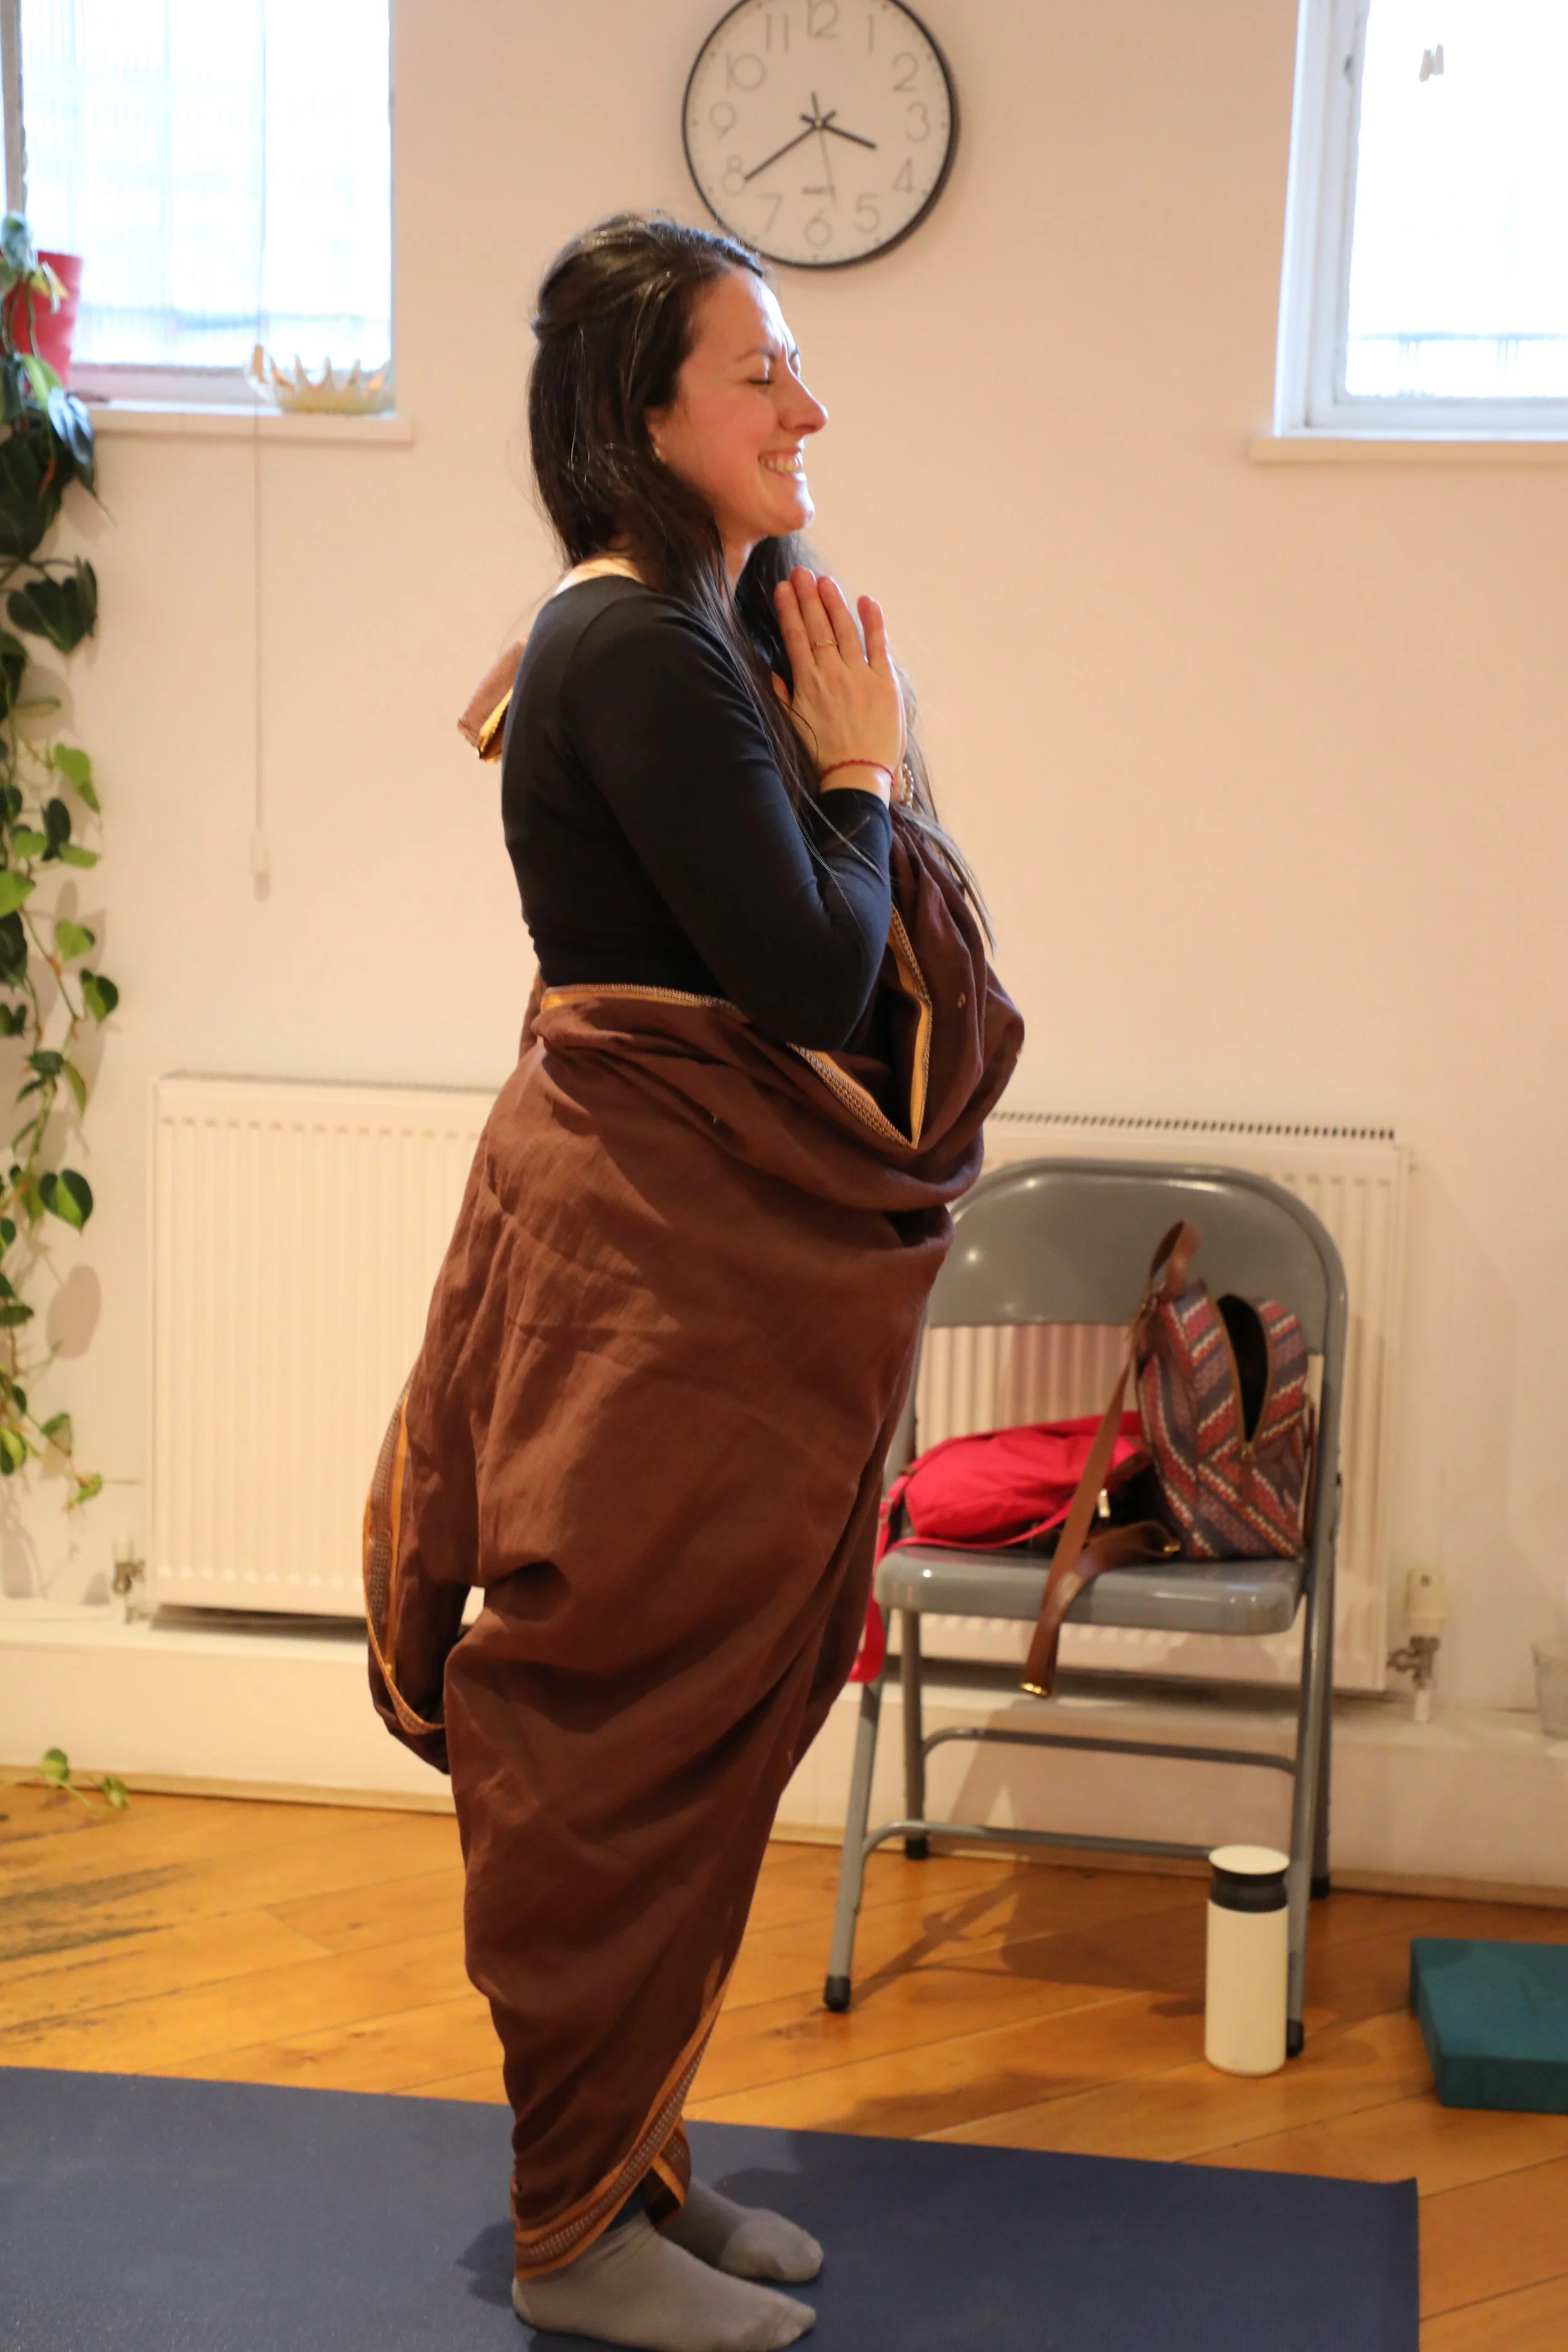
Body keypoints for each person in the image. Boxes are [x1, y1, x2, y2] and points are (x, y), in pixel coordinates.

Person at [364, 213, 1022, 2352]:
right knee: (619, 1718)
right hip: (648, 1255)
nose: (807, 407)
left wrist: (806, 716)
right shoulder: (640, 643)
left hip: (685, 1250)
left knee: (693, 1719)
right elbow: (816, 971)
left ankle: (635, 2160)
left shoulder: (669, 623)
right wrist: (853, 759)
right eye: (763, 375)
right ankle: (573, 2229)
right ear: (648, 419)